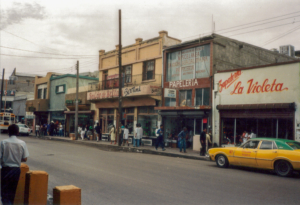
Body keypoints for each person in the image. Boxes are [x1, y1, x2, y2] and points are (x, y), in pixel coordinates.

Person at [1, 124, 29, 205]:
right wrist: (16, 158)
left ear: (8, 132)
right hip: (16, 170)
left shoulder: (3, 143)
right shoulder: (22, 143)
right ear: (18, 132)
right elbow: (25, 159)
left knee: (4, 192)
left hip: (5, 170)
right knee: (12, 191)